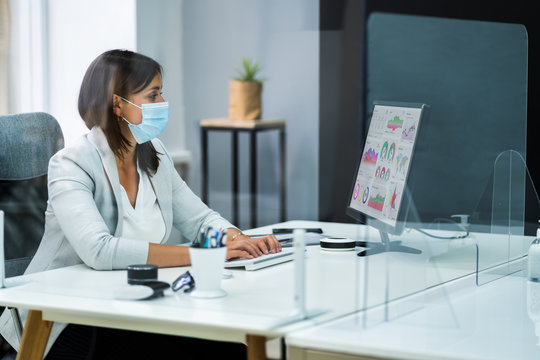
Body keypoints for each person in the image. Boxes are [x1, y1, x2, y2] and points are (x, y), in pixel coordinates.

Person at [0, 49, 281, 359]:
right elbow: (100, 250)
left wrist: (239, 239)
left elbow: (200, 220)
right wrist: (203, 254)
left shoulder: (153, 154)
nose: (162, 104)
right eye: (153, 95)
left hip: (127, 304)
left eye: (161, 93)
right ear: (118, 103)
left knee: (228, 349)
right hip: (64, 320)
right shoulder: (70, 164)